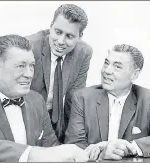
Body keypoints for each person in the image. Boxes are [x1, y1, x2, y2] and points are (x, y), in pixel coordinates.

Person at [0, 34, 89, 162]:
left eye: (32, 66)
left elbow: (52, 149)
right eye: (21, 66)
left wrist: (91, 153)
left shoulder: (36, 100)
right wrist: (31, 154)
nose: (29, 74)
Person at [65, 44, 150, 160]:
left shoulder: (148, 99)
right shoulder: (82, 98)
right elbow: (74, 147)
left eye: (117, 66)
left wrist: (130, 147)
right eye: (106, 63)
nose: (107, 71)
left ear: (134, 74)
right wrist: (103, 151)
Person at [26, 4, 93, 143]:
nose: (61, 41)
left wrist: (73, 141)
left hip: (55, 120)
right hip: (26, 117)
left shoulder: (83, 52)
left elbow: (74, 99)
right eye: (57, 32)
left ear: (80, 36)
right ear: (50, 26)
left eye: (69, 36)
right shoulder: (28, 47)